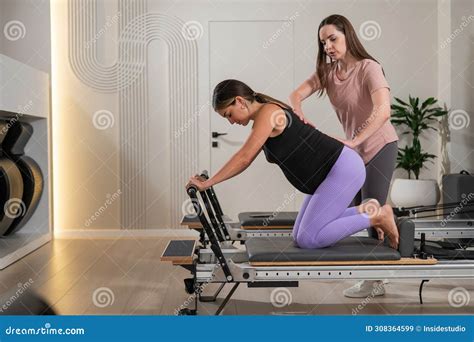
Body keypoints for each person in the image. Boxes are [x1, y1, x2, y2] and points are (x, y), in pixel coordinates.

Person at [187, 79, 399, 251]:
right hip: (328, 175)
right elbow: (245, 157)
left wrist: (210, 183)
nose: (231, 122)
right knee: (299, 236)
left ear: (240, 101)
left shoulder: (269, 113)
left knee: (310, 239)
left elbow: (244, 157)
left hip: (343, 169)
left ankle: (377, 216)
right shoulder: (264, 116)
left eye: (229, 115)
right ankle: (366, 211)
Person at [288, 14, 399, 297]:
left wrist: (356, 140)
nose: (328, 46)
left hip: (379, 145)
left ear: (348, 36)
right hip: (350, 155)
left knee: (372, 207)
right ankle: (369, 273)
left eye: (333, 39)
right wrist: (299, 115)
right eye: (323, 42)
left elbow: (383, 111)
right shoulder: (328, 73)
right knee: (349, 215)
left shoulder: (368, 68)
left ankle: (375, 280)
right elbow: (296, 94)